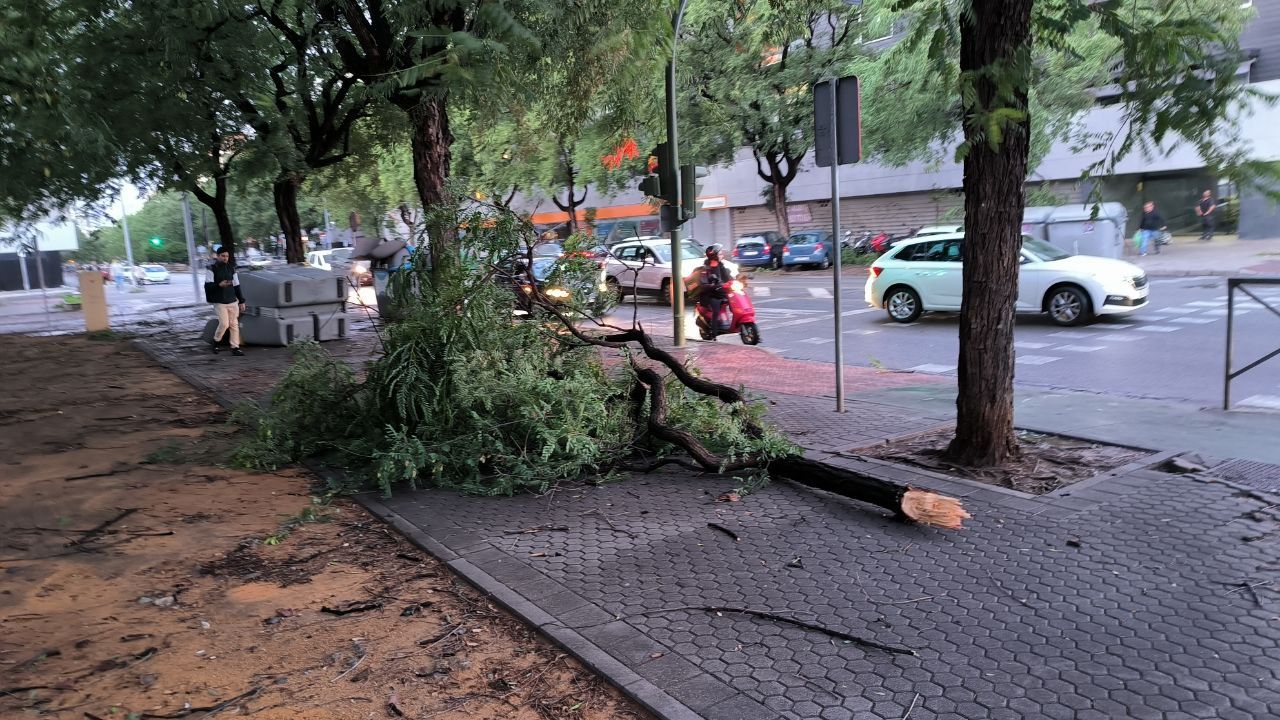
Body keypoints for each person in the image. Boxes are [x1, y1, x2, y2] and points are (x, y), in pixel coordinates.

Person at [205, 246, 246, 356]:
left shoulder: (232, 268)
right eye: (223, 256)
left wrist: (241, 301)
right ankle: (216, 341)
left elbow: (237, 285)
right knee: (224, 324)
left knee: (234, 324)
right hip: (219, 301)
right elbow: (208, 286)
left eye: (227, 256)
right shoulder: (211, 269)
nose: (225, 258)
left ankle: (235, 347)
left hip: (232, 300)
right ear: (217, 256)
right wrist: (219, 285)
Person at [699, 244, 734, 330]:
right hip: (711, 295)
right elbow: (703, 284)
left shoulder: (720, 265)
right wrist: (712, 285)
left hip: (721, 292)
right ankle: (713, 333)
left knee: (734, 303)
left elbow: (727, 276)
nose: (722, 255)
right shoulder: (706, 268)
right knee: (716, 311)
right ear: (714, 255)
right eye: (720, 253)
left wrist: (736, 280)